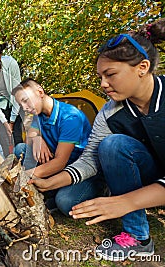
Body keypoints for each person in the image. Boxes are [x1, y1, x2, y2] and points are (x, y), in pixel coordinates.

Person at [37, 20, 165, 261]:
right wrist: (50, 182)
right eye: (100, 76)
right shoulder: (109, 112)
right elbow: (90, 160)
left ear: (143, 67)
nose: (103, 84)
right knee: (113, 145)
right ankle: (138, 236)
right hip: (146, 173)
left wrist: (126, 201)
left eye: (110, 75)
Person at [12, 78, 105, 215]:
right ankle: (48, 189)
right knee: (21, 148)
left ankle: (98, 189)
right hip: (57, 163)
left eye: (26, 100)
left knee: (65, 201)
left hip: (81, 171)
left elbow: (60, 162)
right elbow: (31, 131)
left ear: (40, 92)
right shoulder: (39, 114)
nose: (25, 107)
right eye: (21, 104)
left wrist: (25, 176)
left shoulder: (70, 116)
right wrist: (37, 138)